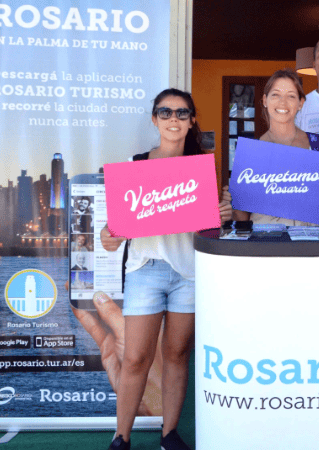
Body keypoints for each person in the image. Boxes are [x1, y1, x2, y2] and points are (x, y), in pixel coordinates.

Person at [100, 88, 233, 450]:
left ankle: (169, 434)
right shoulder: (136, 164)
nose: (174, 119)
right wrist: (109, 236)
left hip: (188, 272)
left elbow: (212, 230)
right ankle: (121, 437)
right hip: (146, 269)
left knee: (177, 356)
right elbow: (113, 232)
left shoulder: (204, 168)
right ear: (154, 119)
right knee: (135, 358)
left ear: (192, 121)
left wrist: (222, 214)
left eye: (182, 113)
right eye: (165, 112)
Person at [233, 69, 319, 225]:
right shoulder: (250, 153)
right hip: (265, 239)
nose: (282, 103)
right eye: (275, 95)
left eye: (291, 96)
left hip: (309, 239)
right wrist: (229, 207)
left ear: (300, 103)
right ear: (265, 100)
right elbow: (241, 216)